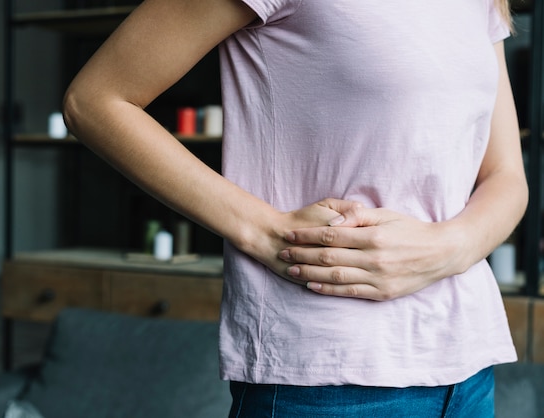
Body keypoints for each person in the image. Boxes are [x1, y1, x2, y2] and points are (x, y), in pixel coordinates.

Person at [63, 0, 528, 415]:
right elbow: (96, 100)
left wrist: (449, 247)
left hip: (467, 368)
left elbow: (506, 175)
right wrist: (265, 232)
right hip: (327, 375)